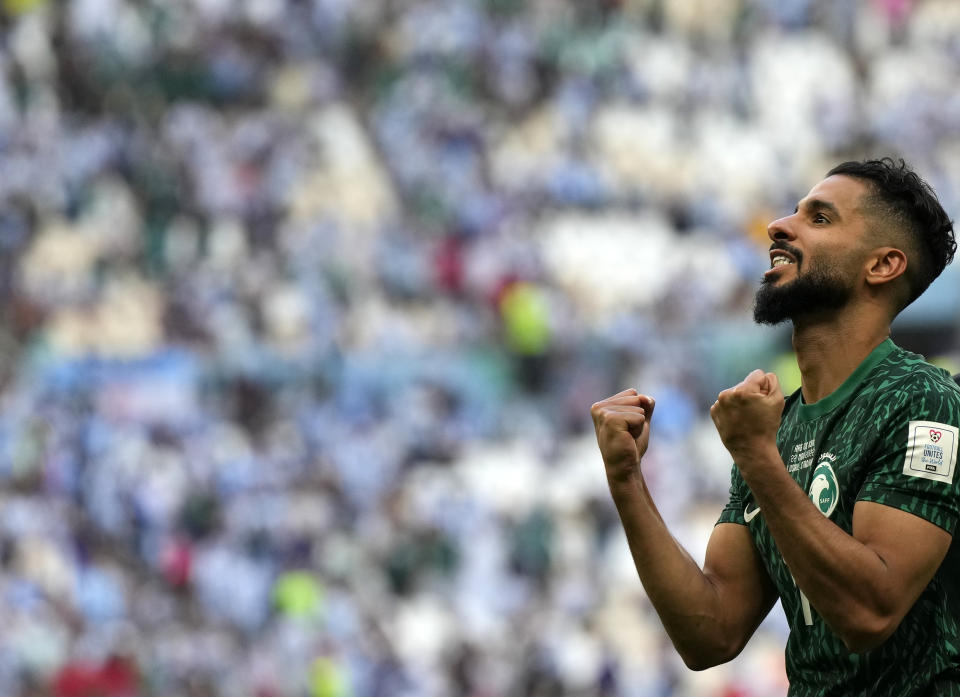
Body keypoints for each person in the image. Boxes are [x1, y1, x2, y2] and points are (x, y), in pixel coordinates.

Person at [591, 158, 960, 696]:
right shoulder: (776, 426)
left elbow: (868, 613)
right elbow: (711, 633)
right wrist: (626, 480)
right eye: (794, 211)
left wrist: (756, 455)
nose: (779, 226)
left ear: (882, 265)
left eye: (821, 218)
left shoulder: (924, 400)